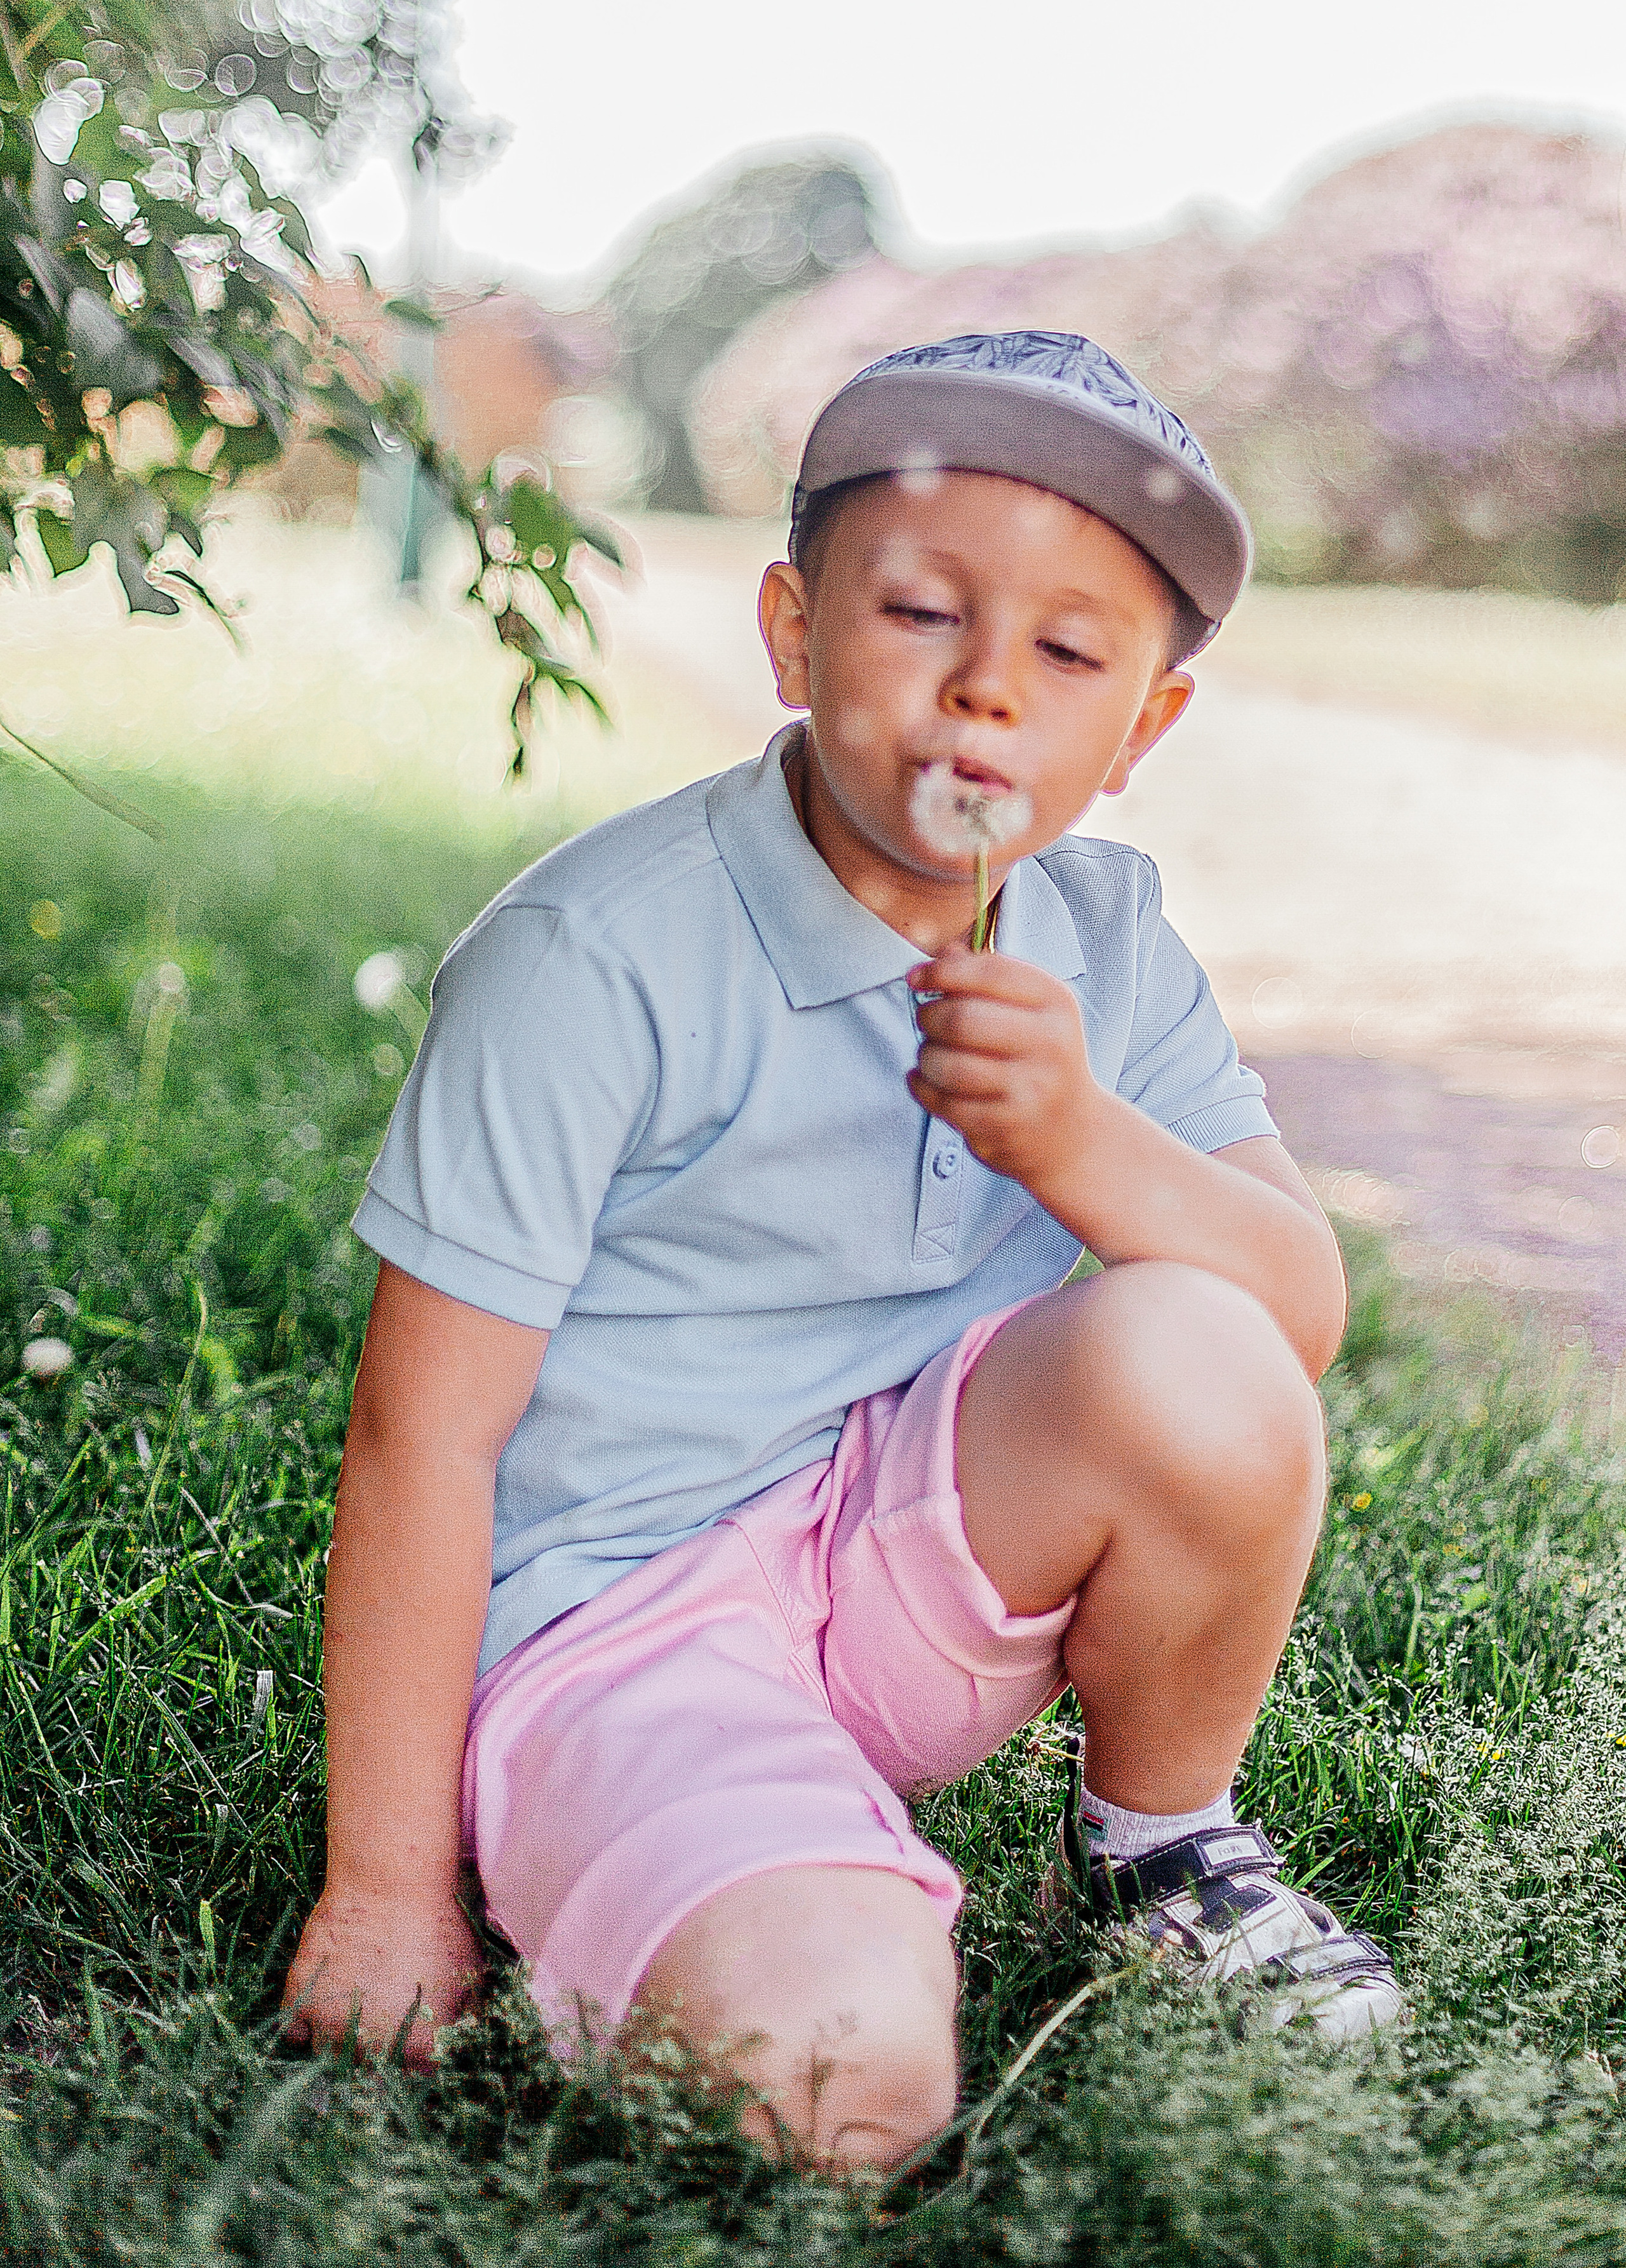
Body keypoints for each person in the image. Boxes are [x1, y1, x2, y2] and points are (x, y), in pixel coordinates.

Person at [283, 331, 1402, 2172]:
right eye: (921, 616)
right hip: (615, 1622)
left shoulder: (1104, 937)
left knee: (1194, 1344)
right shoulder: (592, 959)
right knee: (847, 2079)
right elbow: (424, 1441)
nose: (983, 696)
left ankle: (1160, 1852)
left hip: (896, 1563)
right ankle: (719, 1860)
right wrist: (387, 1888)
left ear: (1142, 730)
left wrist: (1078, 1141)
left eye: (1065, 653)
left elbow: (1292, 1319)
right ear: (795, 636)